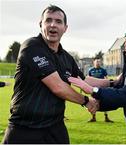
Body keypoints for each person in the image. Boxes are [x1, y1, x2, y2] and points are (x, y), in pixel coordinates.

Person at [2, 5, 97, 144]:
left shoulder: (66, 58)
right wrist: (86, 101)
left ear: (65, 28)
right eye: (48, 20)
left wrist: (115, 83)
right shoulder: (32, 46)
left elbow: (84, 80)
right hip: (24, 129)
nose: (53, 25)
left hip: (55, 129)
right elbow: (58, 86)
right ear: (41, 25)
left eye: (58, 21)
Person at [88, 58, 113, 122]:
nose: (97, 63)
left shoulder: (103, 70)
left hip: (102, 89)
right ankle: (93, 117)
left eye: (99, 62)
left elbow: (106, 78)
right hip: (93, 89)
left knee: (104, 101)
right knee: (93, 102)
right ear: (94, 63)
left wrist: (108, 85)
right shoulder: (91, 70)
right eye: (96, 62)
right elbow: (88, 78)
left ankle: (106, 117)